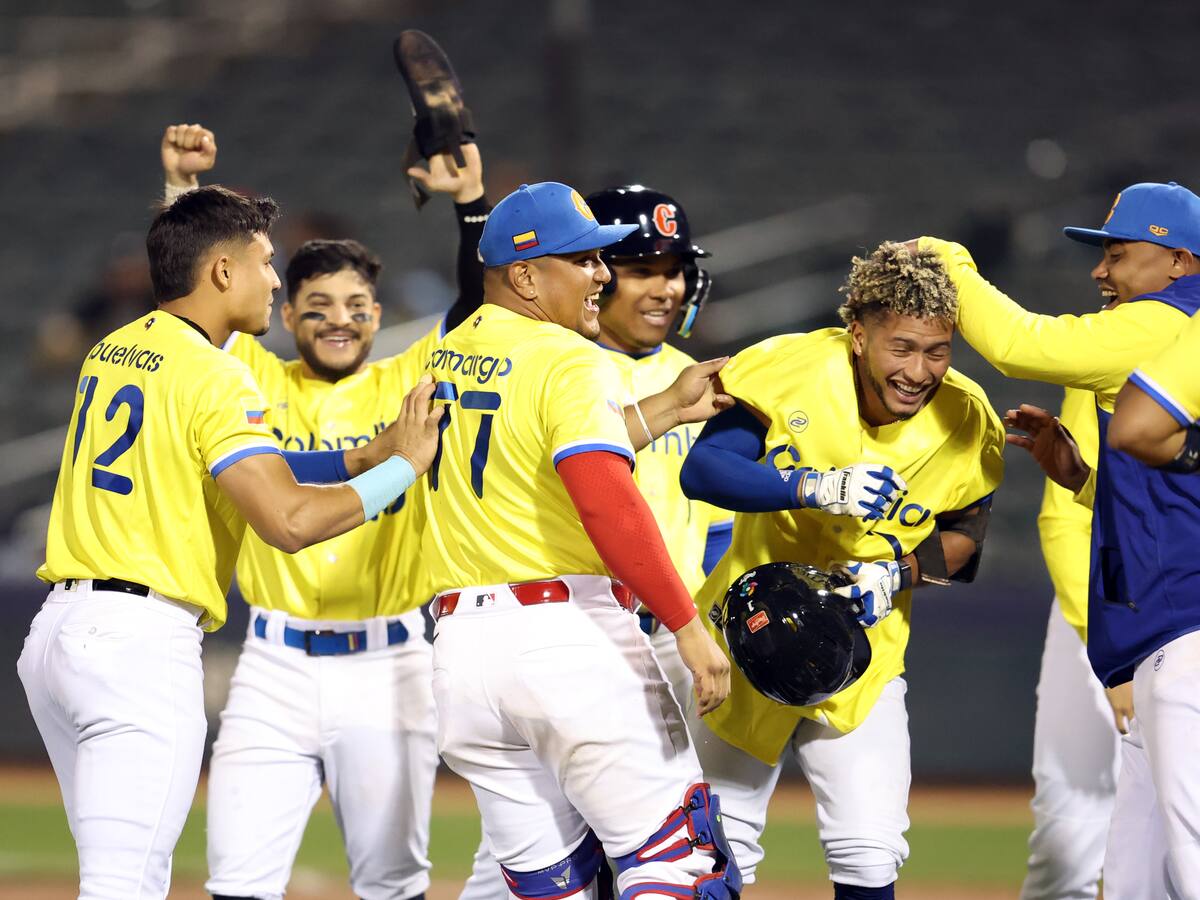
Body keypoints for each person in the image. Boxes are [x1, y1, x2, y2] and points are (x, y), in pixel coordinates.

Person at [16, 182, 444, 899]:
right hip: (138, 645)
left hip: (58, 636)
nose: (275, 278)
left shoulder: (114, 350)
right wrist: (401, 468)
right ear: (222, 271)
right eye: (265, 261)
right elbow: (289, 522)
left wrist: (356, 458)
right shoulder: (217, 376)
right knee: (125, 885)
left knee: (109, 875)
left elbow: (235, 467)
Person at [153, 123, 491, 900]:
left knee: (391, 883)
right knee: (236, 880)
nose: (340, 319)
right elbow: (189, 300)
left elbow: (479, 308)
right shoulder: (248, 378)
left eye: (357, 305)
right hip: (271, 664)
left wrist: (470, 201)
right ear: (285, 315)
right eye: (318, 305)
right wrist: (181, 190)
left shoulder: (411, 380)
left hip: (389, 664)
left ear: (379, 314)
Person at [424, 181, 741, 900]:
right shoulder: (569, 358)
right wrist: (688, 626)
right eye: (583, 260)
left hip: (463, 657)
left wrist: (666, 408)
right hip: (565, 639)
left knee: (554, 887)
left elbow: (531, 455)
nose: (601, 274)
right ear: (526, 276)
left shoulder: (448, 354)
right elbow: (606, 501)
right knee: (680, 865)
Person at [678, 241, 1005, 899]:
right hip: (747, 637)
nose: (918, 371)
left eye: (937, 351)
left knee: (870, 855)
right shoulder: (793, 366)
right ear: (858, 334)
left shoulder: (968, 418)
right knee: (708, 853)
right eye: (901, 348)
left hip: (863, 655)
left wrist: (896, 575)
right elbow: (703, 470)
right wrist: (814, 487)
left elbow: (965, 540)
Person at [920, 179, 1200, 897]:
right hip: (1159, 633)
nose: (1100, 270)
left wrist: (946, 259)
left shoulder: (1169, 319)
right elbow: (1172, 499)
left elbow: (1021, 343)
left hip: (1184, 635)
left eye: (1119, 254)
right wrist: (1081, 478)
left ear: (1180, 262)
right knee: (1139, 879)